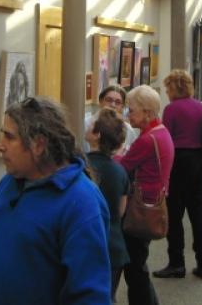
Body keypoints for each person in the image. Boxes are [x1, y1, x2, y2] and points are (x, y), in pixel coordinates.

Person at [0, 97, 111, 305]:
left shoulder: (82, 202)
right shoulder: (9, 183)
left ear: (38, 145)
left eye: (9, 137)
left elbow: (90, 295)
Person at [115, 85, 174, 304]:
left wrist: (112, 155)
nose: (128, 114)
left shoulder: (148, 139)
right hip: (152, 204)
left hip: (140, 209)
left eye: (132, 110)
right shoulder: (161, 132)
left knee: (135, 267)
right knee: (137, 265)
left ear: (147, 112)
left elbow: (123, 166)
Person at [152, 70, 202, 281]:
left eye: (167, 88)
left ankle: (177, 263)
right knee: (198, 213)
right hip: (199, 162)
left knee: (175, 215)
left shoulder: (171, 109)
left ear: (175, 88)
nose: (166, 92)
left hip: (178, 162)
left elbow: (166, 140)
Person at [85, 108, 130, 303]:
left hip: (88, 244)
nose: (87, 124)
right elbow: (120, 210)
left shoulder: (81, 167)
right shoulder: (120, 171)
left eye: (91, 123)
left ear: (96, 135)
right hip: (114, 246)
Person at [82, 85, 138, 153]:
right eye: (109, 100)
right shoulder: (86, 124)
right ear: (100, 101)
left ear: (122, 106)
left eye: (118, 102)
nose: (113, 105)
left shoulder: (128, 130)